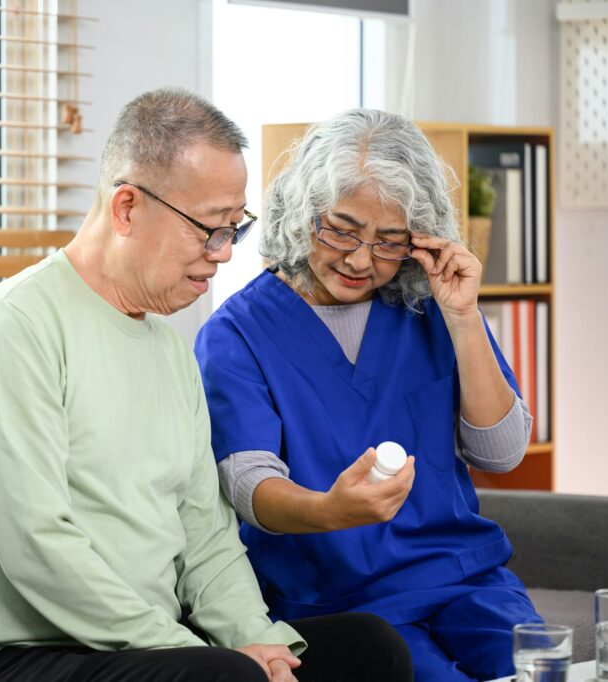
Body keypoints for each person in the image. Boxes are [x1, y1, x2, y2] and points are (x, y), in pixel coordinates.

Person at [0, 90, 413, 682]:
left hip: (148, 646)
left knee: (371, 648)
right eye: (209, 230)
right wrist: (204, 654)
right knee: (224, 678)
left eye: (235, 229)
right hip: (14, 657)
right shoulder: (15, 326)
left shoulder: (171, 352)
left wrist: (260, 645)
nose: (225, 253)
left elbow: (206, 536)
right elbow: (38, 550)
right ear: (127, 207)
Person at [194, 108, 543, 681]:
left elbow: (501, 453)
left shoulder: (431, 308)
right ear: (304, 213)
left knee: (536, 668)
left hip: (466, 579)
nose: (360, 259)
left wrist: (463, 317)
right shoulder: (237, 334)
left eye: (389, 241)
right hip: (338, 598)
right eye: (342, 229)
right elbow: (246, 484)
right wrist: (329, 511)